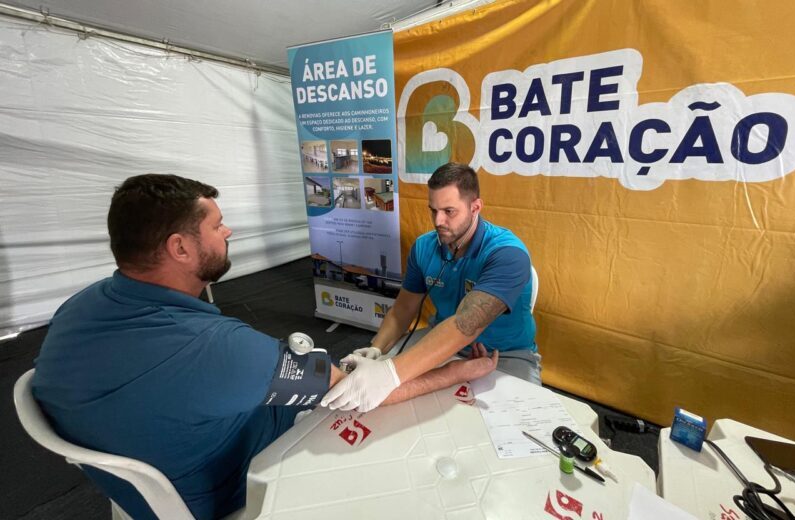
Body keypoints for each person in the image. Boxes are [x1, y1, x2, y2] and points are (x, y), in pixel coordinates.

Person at [32, 173, 498, 520]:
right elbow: (356, 392)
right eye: (217, 225)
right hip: (224, 487)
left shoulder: (76, 308)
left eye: (449, 211)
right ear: (180, 248)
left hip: (132, 484)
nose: (229, 232)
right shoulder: (221, 350)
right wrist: (456, 373)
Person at [323, 162, 538, 413]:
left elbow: (465, 325)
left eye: (449, 211)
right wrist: (376, 348)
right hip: (437, 338)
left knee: (517, 424)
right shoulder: (424, 247)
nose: (438, 221)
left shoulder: (508, 253)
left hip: (505, 354)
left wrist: (389, 373)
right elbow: (402, 310)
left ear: (475, 207)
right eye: (433, 210)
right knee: (381, 408)